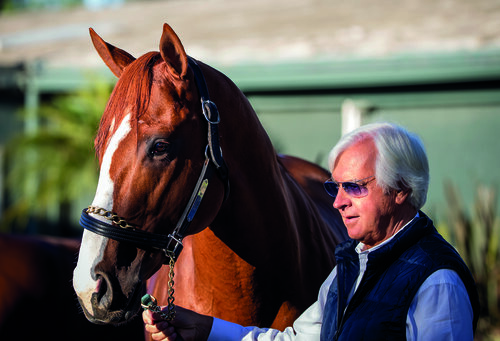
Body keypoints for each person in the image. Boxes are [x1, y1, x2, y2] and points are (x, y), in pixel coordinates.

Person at [144, 122, 480, 341]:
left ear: (402, 189)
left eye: (355, 188)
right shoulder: (351, 264)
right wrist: (205, 328)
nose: (338, 203)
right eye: (336, 188)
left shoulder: (437, 281)